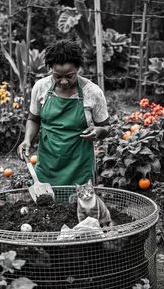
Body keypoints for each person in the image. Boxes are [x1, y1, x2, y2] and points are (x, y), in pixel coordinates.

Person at [17, 39, 110, 186]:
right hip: (48, 163)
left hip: (80, 165)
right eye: (58, 76)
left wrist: (98, 131)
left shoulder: (93, 92)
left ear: (78, 68)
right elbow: (33, 119)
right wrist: (27, 140)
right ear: (51, 70)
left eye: (69, 76)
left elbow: (106, 127)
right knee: (47, 205)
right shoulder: (41, 87)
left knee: (82, 207)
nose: (64, 81)